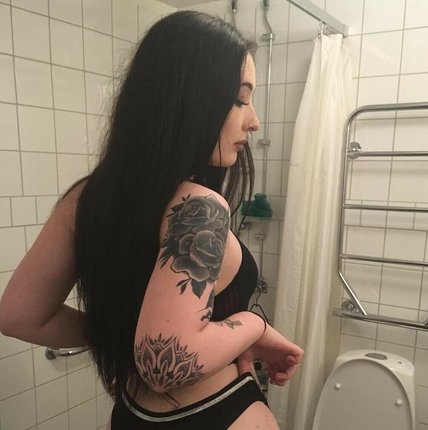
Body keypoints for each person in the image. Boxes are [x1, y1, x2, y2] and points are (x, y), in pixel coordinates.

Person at [0, 11, 304, 429]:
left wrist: (120, 334)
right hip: (215, 411)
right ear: (185, 98)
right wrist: (255, 326)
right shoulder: (200, 208)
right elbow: (167, 364)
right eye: (240, 98)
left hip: (132, 415)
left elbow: (19, 315)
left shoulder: (85, 198)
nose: (254, 121)